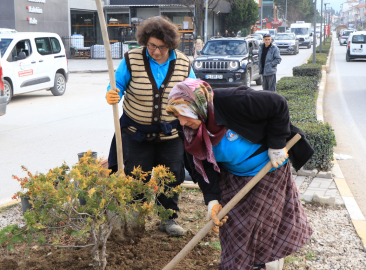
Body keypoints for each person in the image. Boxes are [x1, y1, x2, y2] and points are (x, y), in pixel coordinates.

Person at [166, 78, 313, 270]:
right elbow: (199, 164)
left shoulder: (231, 100)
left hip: (267, 168)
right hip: (231, 174)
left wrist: (276, 145)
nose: (182, 121)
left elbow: (278, 103)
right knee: (233, 226)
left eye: (184, 115)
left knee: (262, 226)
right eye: (178, 116)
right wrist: (212, 199)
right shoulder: (186, 129)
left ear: (198, 106)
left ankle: (260, 265)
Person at [105, 16, 197, 237]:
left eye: (162, 47)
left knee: (172, 176)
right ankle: (135, 218)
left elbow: (193, 91)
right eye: (152, 46)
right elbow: (117, 82)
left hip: (170, 134)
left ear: (171, 45)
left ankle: (168, 219)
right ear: (146, 41)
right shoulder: (131, 59)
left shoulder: (183, 63)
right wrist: (113, 91)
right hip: (135, 133)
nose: (156, 51)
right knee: (136, 177)